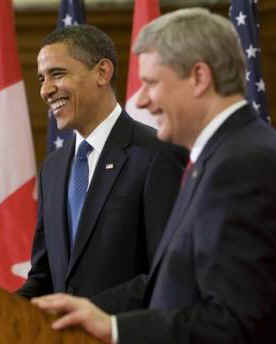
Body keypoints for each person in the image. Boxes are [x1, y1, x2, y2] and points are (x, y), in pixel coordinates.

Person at [32, 8, 276, 344]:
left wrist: (115, 327)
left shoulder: (243, 162)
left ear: (199, 77)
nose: (143, 100)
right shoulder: (217, 158)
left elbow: (236, 321)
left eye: (150, 83)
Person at [18, 24, 186, 302]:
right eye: (41, 79)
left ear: (102, 72)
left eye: (57, 74)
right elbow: (43, 276)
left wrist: (87, 312)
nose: (46, 90)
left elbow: (168, 273)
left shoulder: (157, 154)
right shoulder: (53, 168)